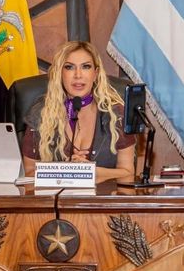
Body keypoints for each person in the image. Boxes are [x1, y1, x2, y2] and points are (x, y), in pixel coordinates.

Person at [21, 41, 136, 181]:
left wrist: (93, 172)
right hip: (57, 195)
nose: (78, 75)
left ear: (95, 74)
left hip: (103, 194)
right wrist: (67, 172)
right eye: (69, 67)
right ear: (60, 74)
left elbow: (128, 172)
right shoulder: (41, 113)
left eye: (86, 67)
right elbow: (29, 174)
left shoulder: (116, 114)